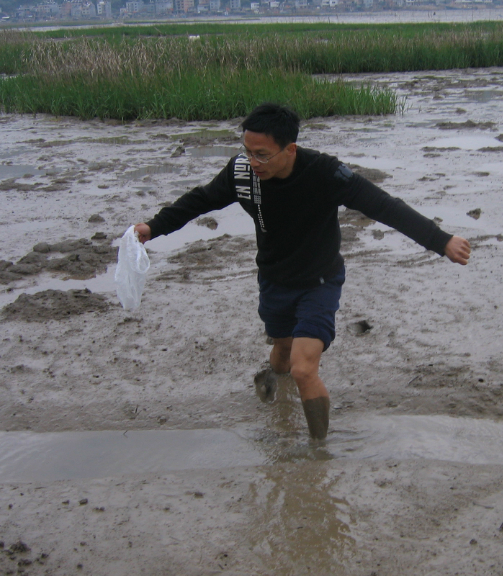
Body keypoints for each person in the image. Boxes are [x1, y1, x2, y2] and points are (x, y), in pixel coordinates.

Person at [134, 103, 470, 440]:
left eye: (262, 154)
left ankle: (317, 455)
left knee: (303, 367)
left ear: (289, 149)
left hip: (319, 280)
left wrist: (440, 240)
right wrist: (154, 227)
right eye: (247, 151)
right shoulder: (242, 172)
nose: (253, 161)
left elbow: (383, 205)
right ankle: (277, 389)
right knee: (282, 351)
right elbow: (200, 200)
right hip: (274, 278)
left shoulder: (325, 173)